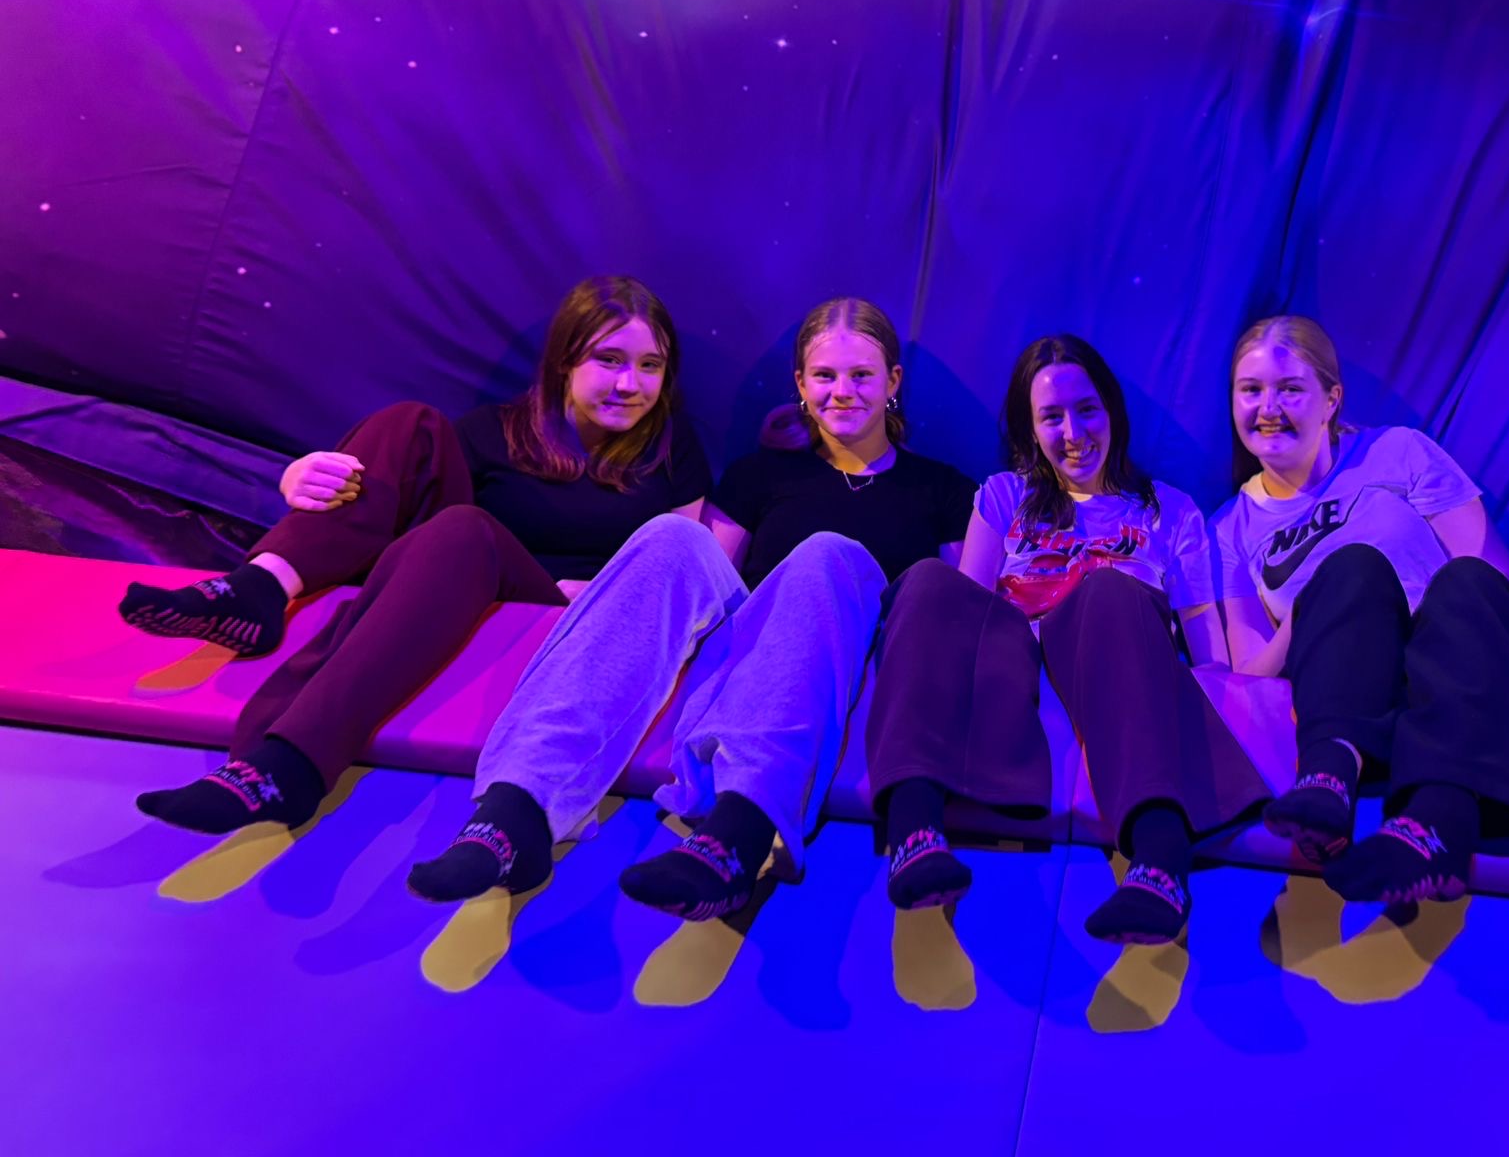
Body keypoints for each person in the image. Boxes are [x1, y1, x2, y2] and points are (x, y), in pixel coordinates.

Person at [407, 297, 977, 923]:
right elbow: (710, 587)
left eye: (861, 375)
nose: (842, 392)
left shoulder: (944, 489)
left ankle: (740, 833)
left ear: (893, 382)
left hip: (843, 659)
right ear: (800, 384)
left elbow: (948, 607)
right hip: (750, 654)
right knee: (672, 536)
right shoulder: (759, 475)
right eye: (824, 375)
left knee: (825, 555)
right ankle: (515, 808)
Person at [123, 276, 710, 834]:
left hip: (569, 625)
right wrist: (299, 478)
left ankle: (293, 760)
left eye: (650, 366)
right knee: (411, 426)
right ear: (565, 360)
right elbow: (398, 522)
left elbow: (684, 576)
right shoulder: (493, 432)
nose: (630, 384)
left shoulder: (671, 448)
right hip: (468, 592)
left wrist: (606, 594)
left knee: (466, 527)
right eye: (609, 359)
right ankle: (262, 584)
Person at [863, 335, 1268, 946]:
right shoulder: (1003, 496)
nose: (1073, 432)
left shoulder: (1171, 511)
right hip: (1014, 671)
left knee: (1107, 589)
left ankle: (1161, 860)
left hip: (1114, 665)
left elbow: (1208, 653)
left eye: (1086, 410)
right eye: (1052, 417)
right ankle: (914, 833)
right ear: (1030, 429)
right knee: (926, 580)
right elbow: (962, 616)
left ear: (1113, 412)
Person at [1213, 315, 1509, 906]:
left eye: (1290, 389)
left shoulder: (1396, 452)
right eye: (1251, 390)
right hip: (1351, 695)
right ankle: (1328, 780)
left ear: (1331, 399)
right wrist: (1308, 609)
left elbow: (1498, 580)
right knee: (1350, 569)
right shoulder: (1229, 529)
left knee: (1466, 581)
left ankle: (1433, 825)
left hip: (1451, 679)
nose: (1269, 408)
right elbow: (1250, 671)